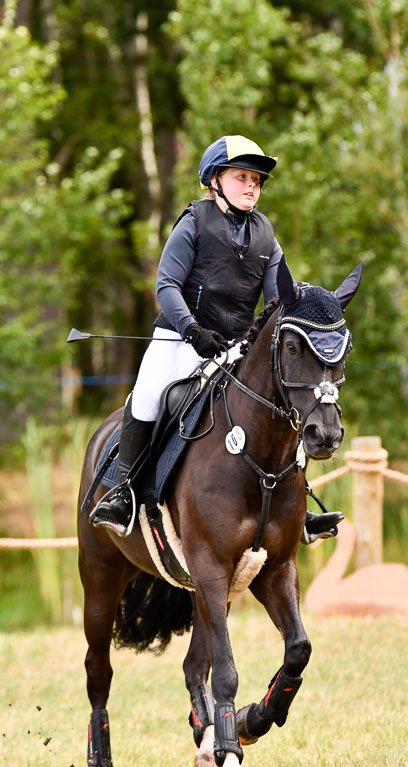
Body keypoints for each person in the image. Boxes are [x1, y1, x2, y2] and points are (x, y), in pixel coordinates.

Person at [91, 135, 283, 536]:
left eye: (257, 180)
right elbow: (166, 286)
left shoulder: (266, 235)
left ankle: (295, 504)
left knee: (278, 402)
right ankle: (123, 491)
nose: (252, 186)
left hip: (234, 350)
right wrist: (192, 330)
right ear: (214, 180)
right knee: (147, 395)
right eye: (242, 177)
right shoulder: (194, 222)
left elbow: (280, 297)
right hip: (180, 341)